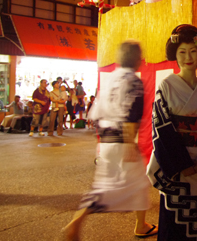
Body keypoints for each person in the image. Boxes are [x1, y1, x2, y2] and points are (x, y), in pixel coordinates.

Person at [63, 40, 158, 240]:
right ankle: (78, 221)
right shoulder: (133, 81)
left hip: (106, 139)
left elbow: (95, 113)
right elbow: (131, 114)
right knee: (133, 184)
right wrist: (129, 142)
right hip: (121, 139)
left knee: (114, 185)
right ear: (137, 59)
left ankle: (141, 224)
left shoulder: (110, 79)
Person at [147, 24, 197, 240]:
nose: (188, 57)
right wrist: (181, 164)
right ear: (175, 56)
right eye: (182, 52)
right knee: (174, 220)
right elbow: (160, 126)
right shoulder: (166, 85)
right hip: (175, 165)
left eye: (193, 51)